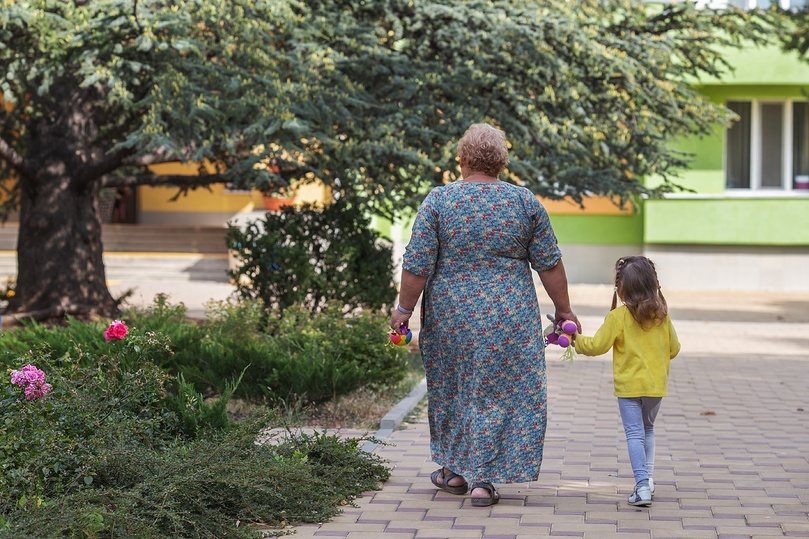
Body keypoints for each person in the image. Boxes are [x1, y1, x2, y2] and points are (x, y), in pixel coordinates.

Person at [390, 122, 579, 507]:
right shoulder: (525, 202)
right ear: (502, 162)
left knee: (455, 390)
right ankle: (483, 480)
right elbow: (550, 265)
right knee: (501, 394)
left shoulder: (439, 202)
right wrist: (564, 311)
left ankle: (455, 470)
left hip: (451, 317)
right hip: (510, 318)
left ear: (461, 160)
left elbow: (417, 264)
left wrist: (403, 310)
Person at [573, 256, 681, 507]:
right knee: (648, 430)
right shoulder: (662, 315)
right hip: (655, 387)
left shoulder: (618, 317)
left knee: (634, 434)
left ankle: (641, 485)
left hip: (629, 388)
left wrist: (574, 339)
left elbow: (596, 346)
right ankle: (649, 481)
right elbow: (674, 349)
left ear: (621, 288)